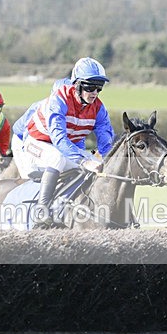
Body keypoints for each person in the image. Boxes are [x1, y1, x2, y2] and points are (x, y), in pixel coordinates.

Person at [19, 57, 115, 225]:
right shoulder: (59, 100)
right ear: (76, 85)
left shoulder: (99, 108)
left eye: (99, 88)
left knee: (97, 165)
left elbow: (106, 140)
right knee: (57, 158)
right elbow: (59, 139)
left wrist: (109, 160)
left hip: (64, 148)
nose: (95, 92)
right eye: (90, 87)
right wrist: (84, 161)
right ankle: (41, 210)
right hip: (37, 142)